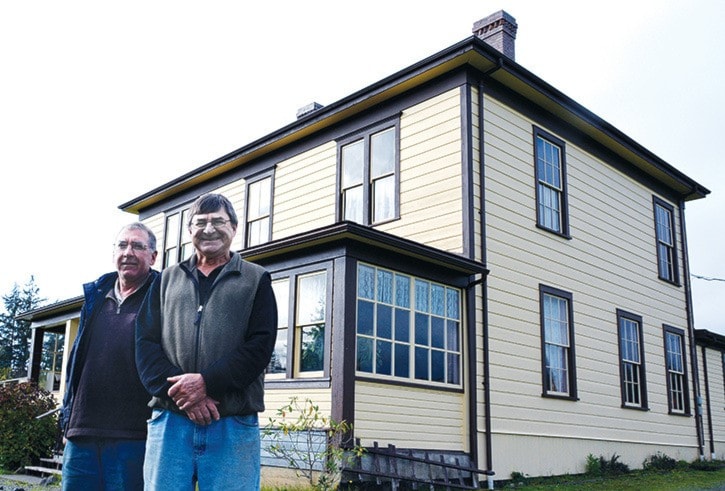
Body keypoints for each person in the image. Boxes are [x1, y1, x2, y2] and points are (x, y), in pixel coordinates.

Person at [136, 193, 277, 490]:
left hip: (232, 423)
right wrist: (182, 395)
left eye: (218, 221)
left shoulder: (256, 280)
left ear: (235, 228)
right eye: (200, 222)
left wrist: (206, 384)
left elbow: (260, 347)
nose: (209, 229)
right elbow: (145, 342)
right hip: (170, 421)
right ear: (189, 231)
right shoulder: (165, 280)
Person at [60, 222, 159, 490]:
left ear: (153, 256)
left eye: (138, 246)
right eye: (123, 245)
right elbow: (76, 363)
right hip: (81, 434)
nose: (128, 252)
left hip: (134, 436)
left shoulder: (161, 297)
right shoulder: (95, 296)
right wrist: (67, 421)